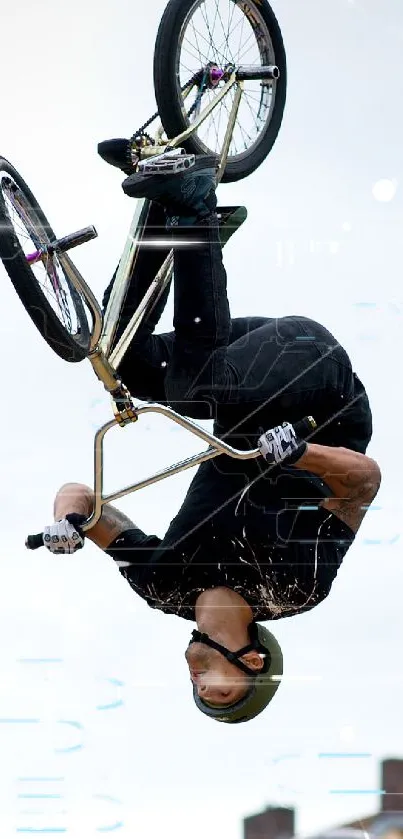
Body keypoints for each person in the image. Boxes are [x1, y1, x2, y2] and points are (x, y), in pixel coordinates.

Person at [36, 147, 380, 724]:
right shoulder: (293, 589)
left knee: (128, 364)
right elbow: (363, 483)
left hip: (240, 381)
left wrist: (65, 523)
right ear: (251, 658)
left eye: (201, 694)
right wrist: (301, 452)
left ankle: (160, 205)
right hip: (319, 386)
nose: (198, 682)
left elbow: (85, 500)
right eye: (221, 690)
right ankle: (195, 199)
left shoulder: (163, 585)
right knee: (199, 389)